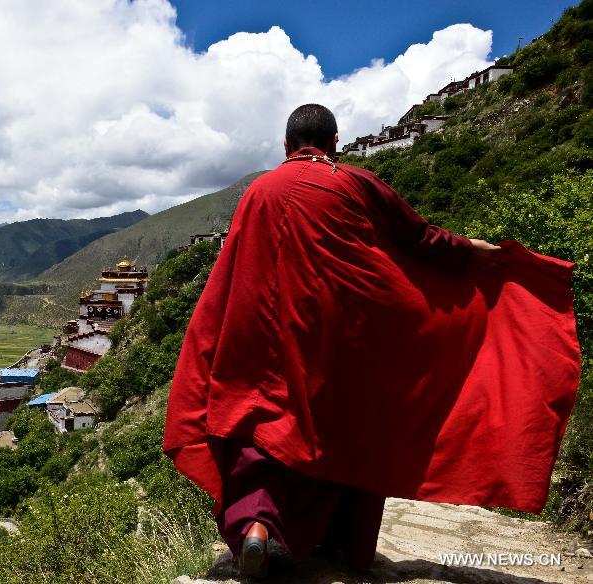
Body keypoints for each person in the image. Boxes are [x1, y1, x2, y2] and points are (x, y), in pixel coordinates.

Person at [162, 104, 581, 578]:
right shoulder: (357, 182)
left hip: (260, 332)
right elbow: (418, 239)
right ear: (335, 142)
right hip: (341, 336)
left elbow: (234, 266)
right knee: (347, 428)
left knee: (262, 425)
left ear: (286, 146)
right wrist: (469, 253)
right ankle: (346, 547)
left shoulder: (257, 191)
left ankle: (256, 526)